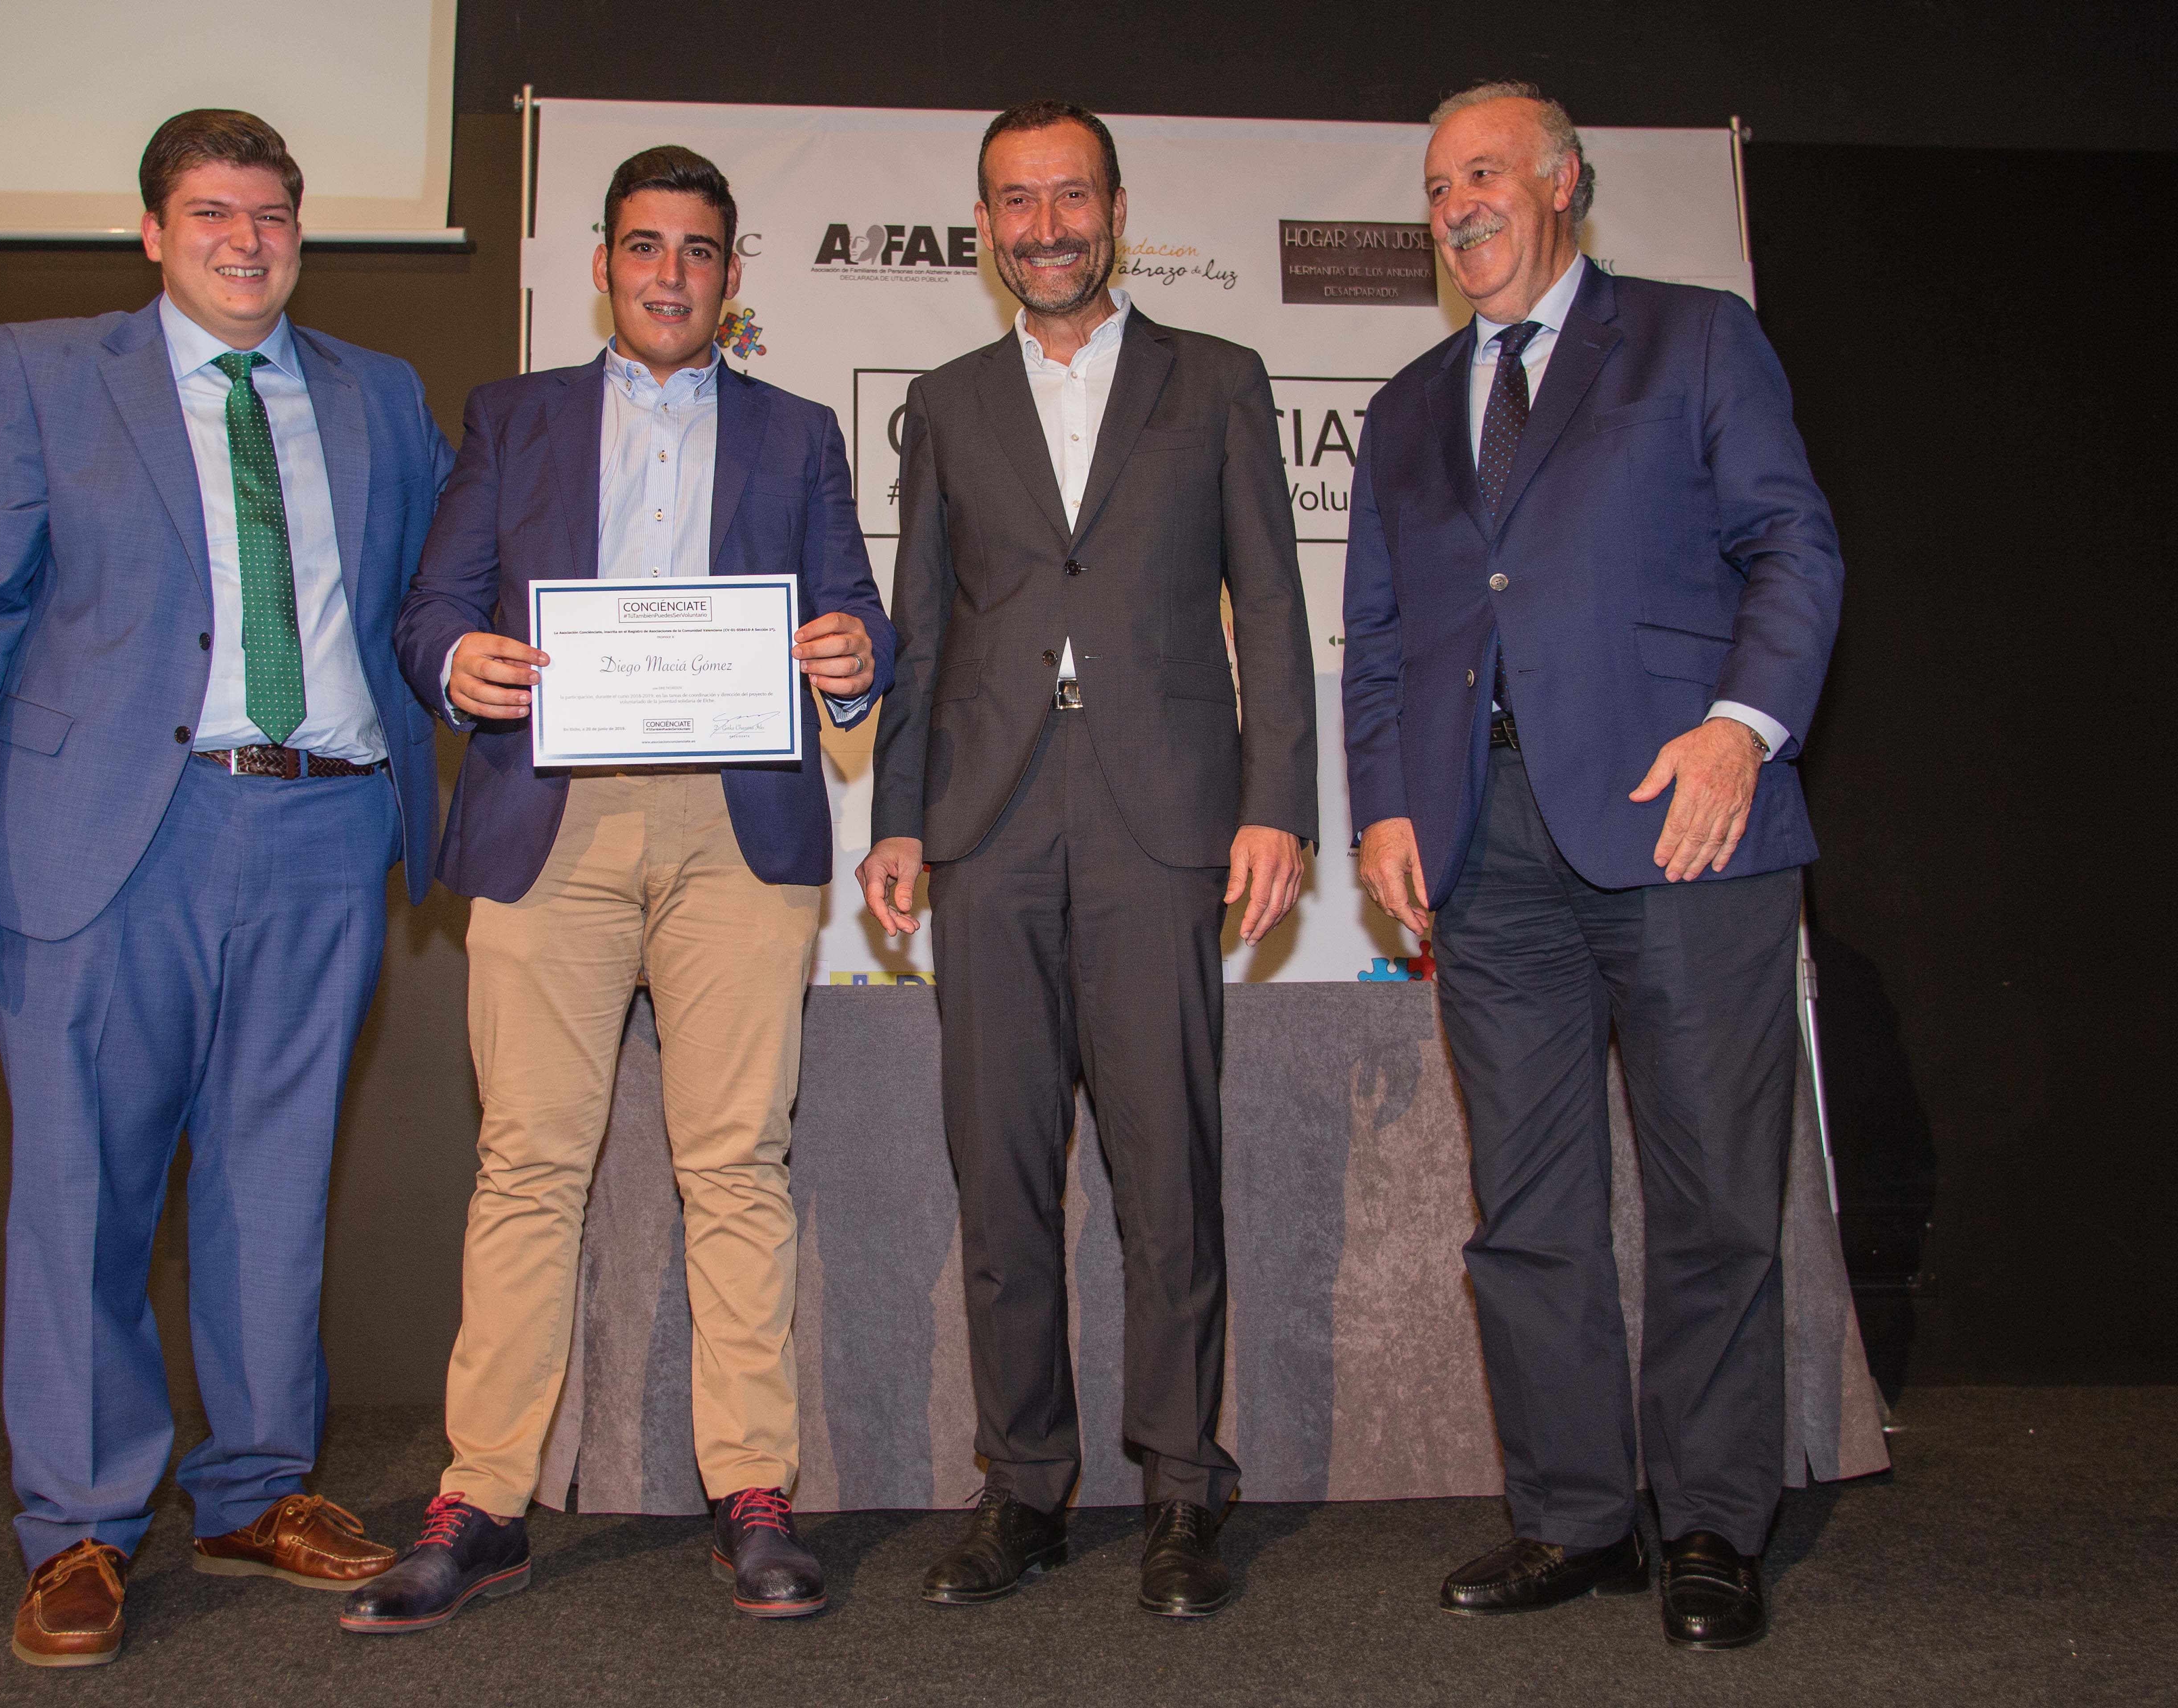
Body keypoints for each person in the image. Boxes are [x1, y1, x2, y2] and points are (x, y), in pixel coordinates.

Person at [0, 110, 454, 1666]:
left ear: (299, 231)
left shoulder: (381, 394)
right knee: (84, 1189)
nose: (245, 241)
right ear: (153, 232)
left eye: (270, 215)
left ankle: (256, 1491)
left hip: (327, 828)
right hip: (110, 834)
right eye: (211, 213)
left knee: (276, 1183)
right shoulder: (43, 373)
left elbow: (446, 591)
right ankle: (79, 1524)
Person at [342, 145, 893, 1632]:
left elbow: (857, 613)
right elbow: (431, 609)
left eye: (698, 251)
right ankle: (484, 1502)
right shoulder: (511, 417)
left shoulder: (796, 434)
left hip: (737, 827)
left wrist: (855, 657)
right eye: (645, 246)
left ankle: (752, 1491)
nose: (670, 273)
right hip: (554, 822)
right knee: (528, 1164)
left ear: (732, 274)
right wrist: (457, 662)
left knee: (739, 1166)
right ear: (602, 265)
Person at [1342, 83, 1844, 1650]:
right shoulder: (1410, 406)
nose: (1459, 207)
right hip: (1484, 853)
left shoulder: (1694, 338)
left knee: (1712, 1200)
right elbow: (1379, 635)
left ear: (1565, 183)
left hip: (1683, 824)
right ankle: (1573, 1516)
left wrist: (1740, 731)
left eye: (1486, 174)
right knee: (1526, 1210)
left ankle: (1710, 1524)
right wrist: (1384, 805)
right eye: (1439, 187)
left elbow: (1794, 546)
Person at [858, 100, 1317, 1619]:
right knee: (998, 1170)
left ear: (1116, 210)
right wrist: (901, 818)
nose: (1044, 226)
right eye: (1016, 201)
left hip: (1161, 815)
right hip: (988, 818)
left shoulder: (1219, 379)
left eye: (1070, 197)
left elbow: (1272, 606)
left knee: (1167, 1165)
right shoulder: (946, 402)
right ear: (985, 224)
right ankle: (1026, 1488)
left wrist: (1278, 801)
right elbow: (923, 627)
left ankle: (1184, 1486)